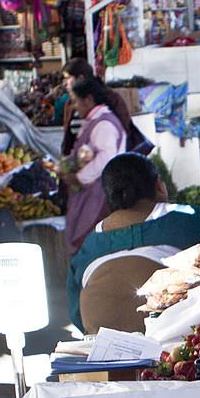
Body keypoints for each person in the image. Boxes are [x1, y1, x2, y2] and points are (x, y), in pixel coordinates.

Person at [67, 153, 200, 311]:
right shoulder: (188, 219)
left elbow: (76, 314)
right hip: (185, 345)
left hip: (104, 347)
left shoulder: (87, 249)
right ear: (159, 185)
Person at [58, 62, 144, 255]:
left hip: (98, 193)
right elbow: (87, 151)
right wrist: (67, 166)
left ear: (88, 99)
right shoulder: (94, 121)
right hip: (89, 193)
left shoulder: (104, 124)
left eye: (76, 101)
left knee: (92, 241)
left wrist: (79, 178)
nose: (75, 107)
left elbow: (105, 158)